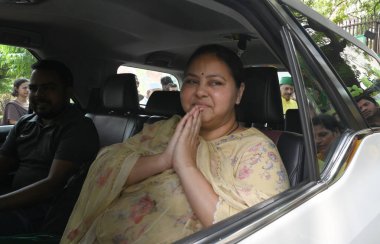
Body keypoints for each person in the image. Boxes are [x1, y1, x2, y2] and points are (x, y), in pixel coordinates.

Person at [62, 44, 290, 243]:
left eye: (215, 83)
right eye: (192, 81)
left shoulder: (256, 151)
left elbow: (253, 232)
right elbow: (106, 169)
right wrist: (164, 159)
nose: (200, 91)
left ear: (238, 94)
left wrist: (186, 166)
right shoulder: (164, 130)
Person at [0, 60, 99, 235]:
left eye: (48, 88)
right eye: (34, 88)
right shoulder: (25, 123)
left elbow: (53, 185)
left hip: (45, 212)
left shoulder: (78, 128)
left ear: (67, 92)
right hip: (14, 200)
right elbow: (3, 162)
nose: (38, 94)